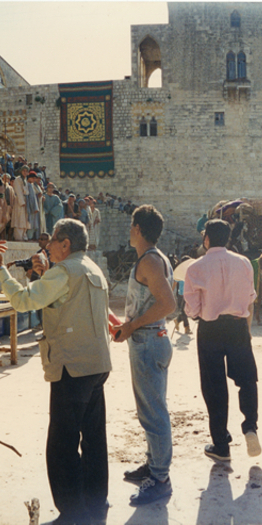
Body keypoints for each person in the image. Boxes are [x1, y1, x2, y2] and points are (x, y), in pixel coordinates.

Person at [0, 218, 111, 525]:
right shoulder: (92, 268)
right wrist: (45, 275)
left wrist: (0, 266)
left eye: (52, 240)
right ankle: (95, 505)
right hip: (97, 364)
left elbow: (23, 300)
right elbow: (68, 301)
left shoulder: (64, 271)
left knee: (62, 445)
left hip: (72, 367)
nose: (47, 246)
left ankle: (73, 513)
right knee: (94, 439)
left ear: (65, 244)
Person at [114, 205, 176, 506]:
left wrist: (133, 325)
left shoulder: (150, 261)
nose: (129, 230)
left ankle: (161, 478)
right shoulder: (157, 257)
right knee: (152, 409)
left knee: (153, 413)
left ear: (138, 229)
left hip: (148, 341)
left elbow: (168, 304)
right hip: (152, 339)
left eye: (131, 226)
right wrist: (128, 325)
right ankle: (153, 466)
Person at [184, 219, 261, 461]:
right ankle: (250, 426)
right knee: (247, 379)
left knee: (214, 385)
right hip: (238, 327)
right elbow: (250, 297)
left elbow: (192, 309)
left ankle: (221, 444)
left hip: (210, 329)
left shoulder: (195, 268)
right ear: (227, 238)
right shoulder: (244, 263)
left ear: (206, 239)